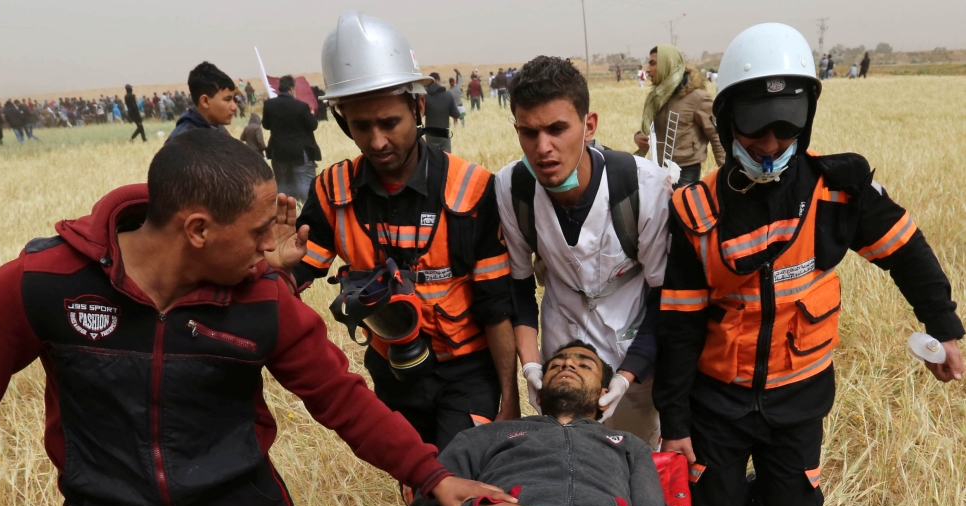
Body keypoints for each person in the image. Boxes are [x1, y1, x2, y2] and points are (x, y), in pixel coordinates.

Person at [0, 129, 512, 506]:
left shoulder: (261, 299)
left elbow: (342, 400)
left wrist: (434, 477)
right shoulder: (46, 282)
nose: (270, 248)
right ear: (198, 230)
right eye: (257, 233)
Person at [655, 23, 965, 506]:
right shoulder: (696, 215)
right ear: (728, 125)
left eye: (785, 129)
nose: (771, 145)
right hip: (717, 407)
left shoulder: (839, 192)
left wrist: (945, 327)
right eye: (756, 131)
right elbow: (679, 328)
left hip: (798, 400)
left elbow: (906, 251)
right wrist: (675, 423)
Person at [296, 12, 519, 465]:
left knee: (463, 479)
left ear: (418, 108)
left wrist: (511, 400)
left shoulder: (471, 189)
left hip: (467, 371)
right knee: (416, 484)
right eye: (361, 127)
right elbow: (296, 274)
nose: (377, 141)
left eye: (389, 122)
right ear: (342, 121)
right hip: (393, 367)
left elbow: (497, 305)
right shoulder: (331, 192)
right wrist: (273, 265)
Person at [494, 55, 671, 448]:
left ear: (589, 125)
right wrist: (533, 366)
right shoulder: (512, 188)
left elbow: (664, 296)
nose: (543, 148)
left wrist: (627, 377)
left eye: (558, 129)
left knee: (635, 451)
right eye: (528, 133)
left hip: (635, 344)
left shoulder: (643, 187)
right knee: (565, 453)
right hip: (562, 337)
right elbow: (519, 287)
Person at [407, 340, 679, 506]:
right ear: (539, 395)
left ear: (605, 396)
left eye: (584, 365)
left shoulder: (630, 446)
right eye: (556, 365)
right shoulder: (482, 436)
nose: (568, 365)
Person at [634, 45, 726, 187]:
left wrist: (726, 174)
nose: (647, 69)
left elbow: (717, 136)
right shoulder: (655, 98)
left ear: (667, 64)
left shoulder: (697, 97)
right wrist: (639, 137)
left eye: (653, 63)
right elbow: (647, 130)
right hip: (657, 170)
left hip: (685, 174)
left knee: (681, 209)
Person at [262, 74, 321, 203]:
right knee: (304, 182)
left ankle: (287, 211)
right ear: (291, 89)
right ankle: (307, 209)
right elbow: (313, 125)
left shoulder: (269, 105)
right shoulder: (301, 106)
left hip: (278, 151)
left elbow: (266, 126)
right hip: (300, 151)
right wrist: (311, 115)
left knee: (283, 184)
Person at [167, 61, 237, 143]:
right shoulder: (182, 142)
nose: (234, 107)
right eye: (227, 99)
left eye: (233, 99)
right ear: (205, 101)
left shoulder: (218, 128)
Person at [423, 71, 460, 153]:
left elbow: (420, 114)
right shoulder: (448, 95)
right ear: (439, 81)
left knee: (431, 157)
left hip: (430, 134)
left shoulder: (425, 97)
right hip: (443, 133)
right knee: (447, 159)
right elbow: (456, 114)